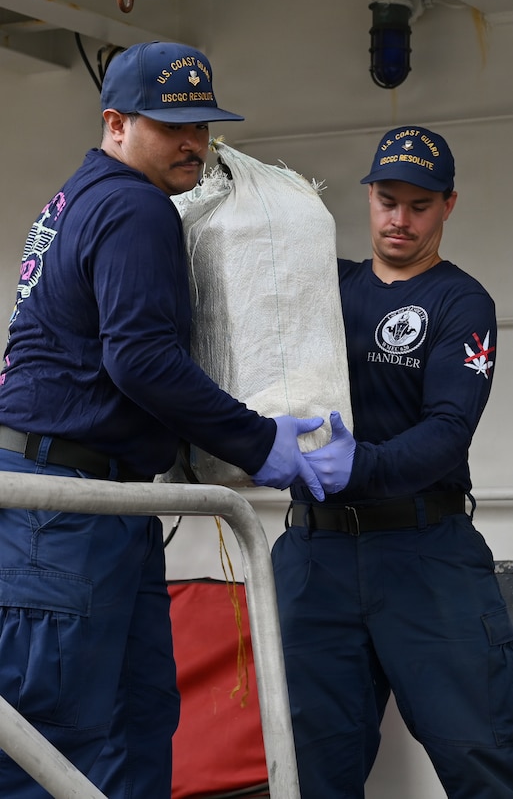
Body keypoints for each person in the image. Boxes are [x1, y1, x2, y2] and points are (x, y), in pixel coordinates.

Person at [0, 41, 331, 799]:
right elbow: (141, 360)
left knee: (135, 717)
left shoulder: (78, 195)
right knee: (45, 741)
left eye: (202, 128)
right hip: (63, 510)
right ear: (115, 122)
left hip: (92, 500)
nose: (191, 144)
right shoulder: (134, 205)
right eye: (168, 127)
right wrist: (260, 443)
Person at [273, 126, 512, 798]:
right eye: (386, 201)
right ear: (369, 198)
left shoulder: (460, 303)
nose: (398, 220)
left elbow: (446, 432)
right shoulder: (328, 289)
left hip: (422, 555)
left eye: (418, 205)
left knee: (481, 755)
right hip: (314, 556)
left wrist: (361, 466)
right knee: (312, 768)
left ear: (447, 205)